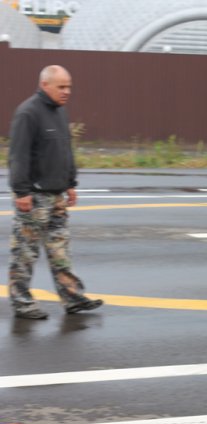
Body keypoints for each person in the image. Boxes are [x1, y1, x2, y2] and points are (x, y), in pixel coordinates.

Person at [7, 65, 103, 320]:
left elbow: (65, 151)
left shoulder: (59, 112)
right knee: (25, 252)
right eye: (61, 86)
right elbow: (18, 156)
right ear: (44, 85)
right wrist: (21, 192)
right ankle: (22, 301)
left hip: (57, 195)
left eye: (69, 86)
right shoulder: (28, 113)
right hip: (34, 197)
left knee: (60, 249)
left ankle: (71, 297)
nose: (67, 92)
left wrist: (71, 183)